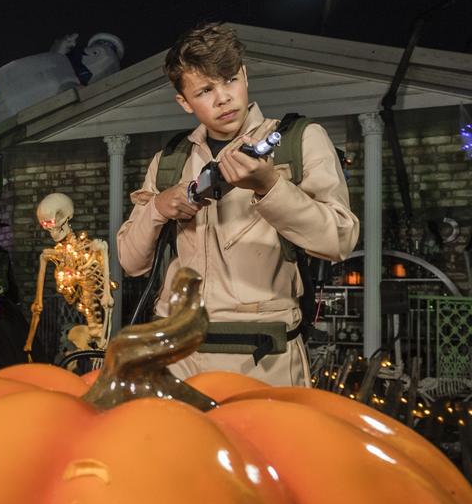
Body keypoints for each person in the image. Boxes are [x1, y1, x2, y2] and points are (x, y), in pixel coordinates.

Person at [116, 23, 359, 386]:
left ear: (244, 74)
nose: (223, 98)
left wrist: (269, 186)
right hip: (179, 358)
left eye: (230, 79)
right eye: (205, 90)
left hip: (264, 358)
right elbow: (130, 263)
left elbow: (339, 240)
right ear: (184, 102)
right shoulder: (169, 161)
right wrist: (157, 208)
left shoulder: (300, 139)